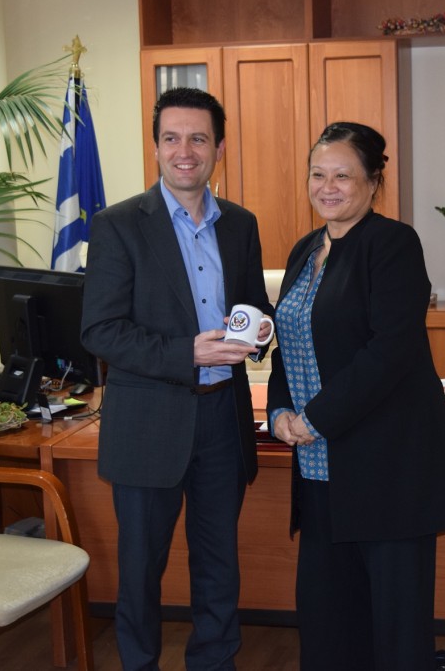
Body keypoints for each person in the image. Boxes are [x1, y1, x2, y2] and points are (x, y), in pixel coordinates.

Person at [81, 86, 274, 671]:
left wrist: (261, 330)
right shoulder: (117, 225)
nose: (184, 151)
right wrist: (184, 352)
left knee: (219, 564)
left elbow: (253, 306)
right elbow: (100, 330)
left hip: (223, 419)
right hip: (148, 424)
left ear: (219, 147)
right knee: (141, 569)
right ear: (156, 147)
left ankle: (214, 662)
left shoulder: (240, 224)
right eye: (171, 138)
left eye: (197, 138)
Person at [267, 122, 445, 671]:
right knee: (328, 625)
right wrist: (280, 411)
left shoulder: (392, 245)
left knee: (395, 635)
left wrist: (313, 418)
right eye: (318, 174)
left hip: (386, 473)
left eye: (343, 176)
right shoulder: (304, 250)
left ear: (373, 182)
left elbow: (390, 352)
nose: (327, 187)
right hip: (320, 474)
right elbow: (288, 340)